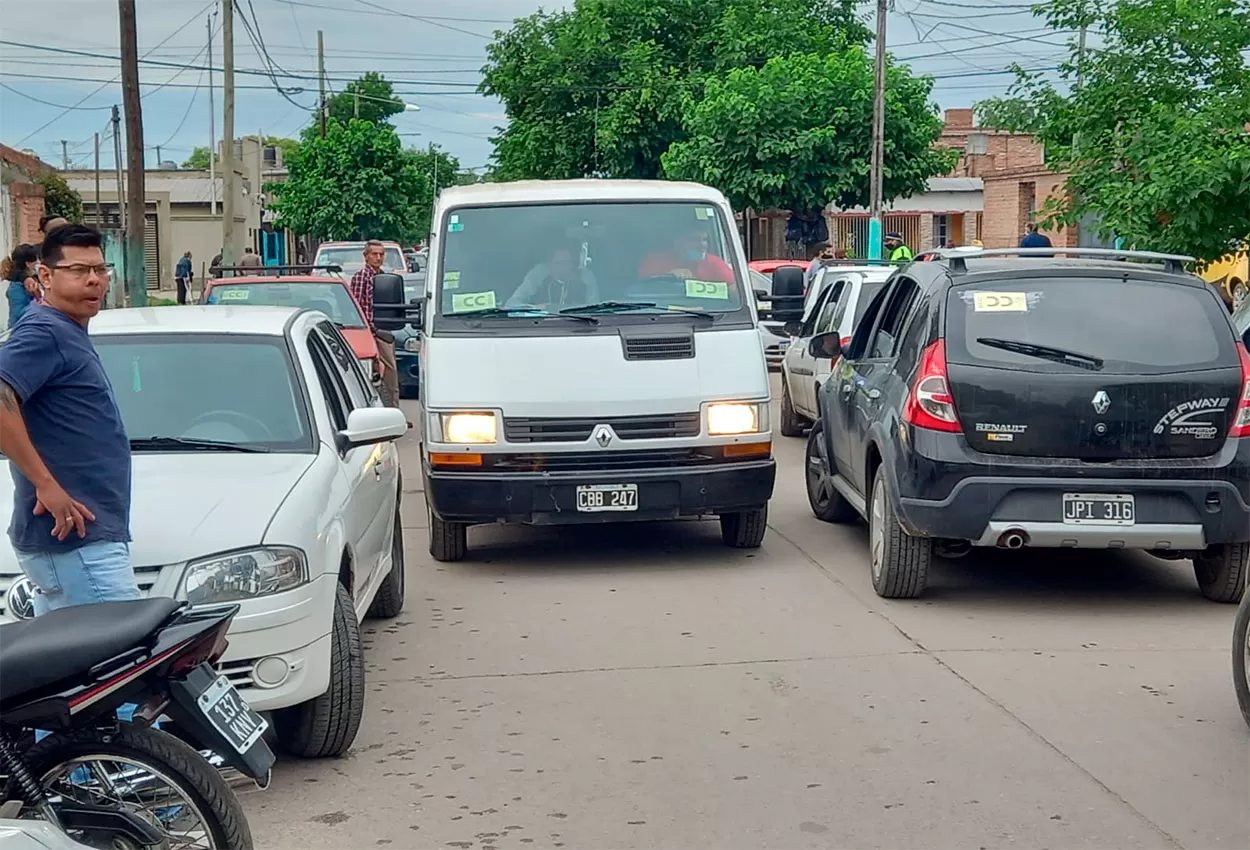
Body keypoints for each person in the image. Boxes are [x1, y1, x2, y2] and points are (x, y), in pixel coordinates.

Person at [0, 224, 136, 615]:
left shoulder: (67, 330)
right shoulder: (46, 331)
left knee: (78, 671)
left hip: (81, 541)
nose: (94, 280)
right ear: (45, 276)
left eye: (100, 269)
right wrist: (46, 485)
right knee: (126, 664)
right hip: (76, 542)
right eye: (78, 271)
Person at [350, 240, 400, 406]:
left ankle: (393, 409)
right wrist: (367, 329)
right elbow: (357, 305)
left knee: (391, 373)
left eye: (381, 254)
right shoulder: (361, 277)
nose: (378, 258)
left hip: (383, 330)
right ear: (366, 256)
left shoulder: (383, 276)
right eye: (374, 254)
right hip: (368, 333)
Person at [507, 245, 599, 309]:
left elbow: (595, 309)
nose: (563, 267)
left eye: (567, 262)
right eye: (558, 263)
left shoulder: (585, 278)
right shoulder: (538, 275)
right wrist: (535, 308)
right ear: (549, 263)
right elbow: (511, 304)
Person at [639, 228, 734, 283]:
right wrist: (669, 276)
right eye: (695, 240)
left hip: (706, 313)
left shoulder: (714, 263)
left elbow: (734, 290)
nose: (702, 246)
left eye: (704, 240)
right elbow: (641, 289)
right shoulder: (655, 261)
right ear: (678, 243)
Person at [3, 244, 41, 329]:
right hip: (19, 329)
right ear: (28, 263)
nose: (37, 262)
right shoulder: (16, 288)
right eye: (35, 260)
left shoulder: (28, 280)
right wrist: (40, 305)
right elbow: (19, 313)